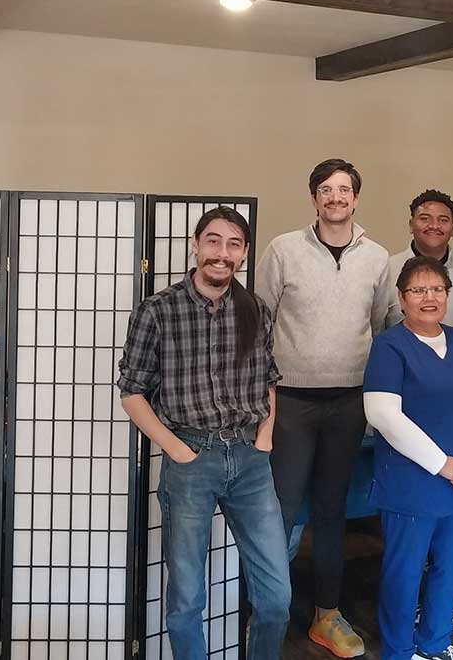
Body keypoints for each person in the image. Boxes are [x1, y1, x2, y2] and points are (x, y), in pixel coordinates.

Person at [116, 207, 289, 660]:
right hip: (191, 457)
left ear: (245, 253)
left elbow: (269, 379)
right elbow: (132, 392)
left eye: (234, 244)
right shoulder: (158, 311)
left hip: (251, 460)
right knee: (188, 600)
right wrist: (176, 448)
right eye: (214, 241)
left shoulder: (256, 309)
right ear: (196, 245)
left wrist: (265, 436)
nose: (223, 253)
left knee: (275, 598)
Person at [254, 158, 394, 658]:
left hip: (348, 400)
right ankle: (264, 608)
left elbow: (377, 323)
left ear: (356, 198)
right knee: (282, 507)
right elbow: (259, 321)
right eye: (326, 190)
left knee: (333, 511)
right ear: (313, 198)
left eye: (344, 190)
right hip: (289, 398)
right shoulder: (283, 250)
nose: (335, 198)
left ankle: (327, 615)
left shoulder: (377, 257)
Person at [364, 256, 453, 660]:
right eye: (418, 290)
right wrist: (444, 464)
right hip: (413, 483)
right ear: (401, 299)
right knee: (404, 574)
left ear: (447, 295)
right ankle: (399, 651)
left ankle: (435, 642)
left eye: (437, 289)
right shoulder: (390, 346)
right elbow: (383, 414)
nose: (429, 298)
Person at [387, 189, 453, 330]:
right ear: (411, 225)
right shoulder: (388, 270)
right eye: (425, 219)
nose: (434, 226)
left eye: (443, 220)